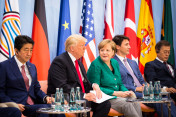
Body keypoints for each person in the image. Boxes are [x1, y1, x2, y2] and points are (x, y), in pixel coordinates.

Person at [0, 35, 64, 117]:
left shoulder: (32, 67)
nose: (29, 54)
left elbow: (36, 89)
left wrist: (45, 98)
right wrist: (14, 104)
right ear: (16, 51)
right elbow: (1, 92)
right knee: (44, 110)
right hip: (18, 106)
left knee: (57, 108)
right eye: (26, 50)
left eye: (31, 50)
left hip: (33, 105)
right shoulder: (4, 66)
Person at [47, 34, 111, 117]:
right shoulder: (59, 61)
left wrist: (94, 86)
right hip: (65, 97)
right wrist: (84, 95)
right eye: (82, 46)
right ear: (72, 48)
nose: (85, 48)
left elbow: (84, 83)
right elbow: (61, 86)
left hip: (81, 96)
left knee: (105, 104)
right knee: (84, 102)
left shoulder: (79, 63)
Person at [113, 35, 176, 117]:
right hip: (130, 93)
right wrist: (136, 88)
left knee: (166, 98)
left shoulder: (133, 62)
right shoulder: (112, 63)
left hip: (144, 91)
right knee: (157, 100)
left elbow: (141, 80)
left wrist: (146, 85)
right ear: (117, 47)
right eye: (126, 44)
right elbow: (116, 83)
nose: (129, 47)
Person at [87, 39, 142, 117]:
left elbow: (120, 83)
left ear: (113, 52)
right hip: (104, 98)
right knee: (128, 104)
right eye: (102, 50)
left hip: (117, 96)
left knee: (133, 99)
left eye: (107, 50)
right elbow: (95, 88)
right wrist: (115, 93)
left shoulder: (114, 62)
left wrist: (127, 92)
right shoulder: (95, 64)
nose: (104, 53)